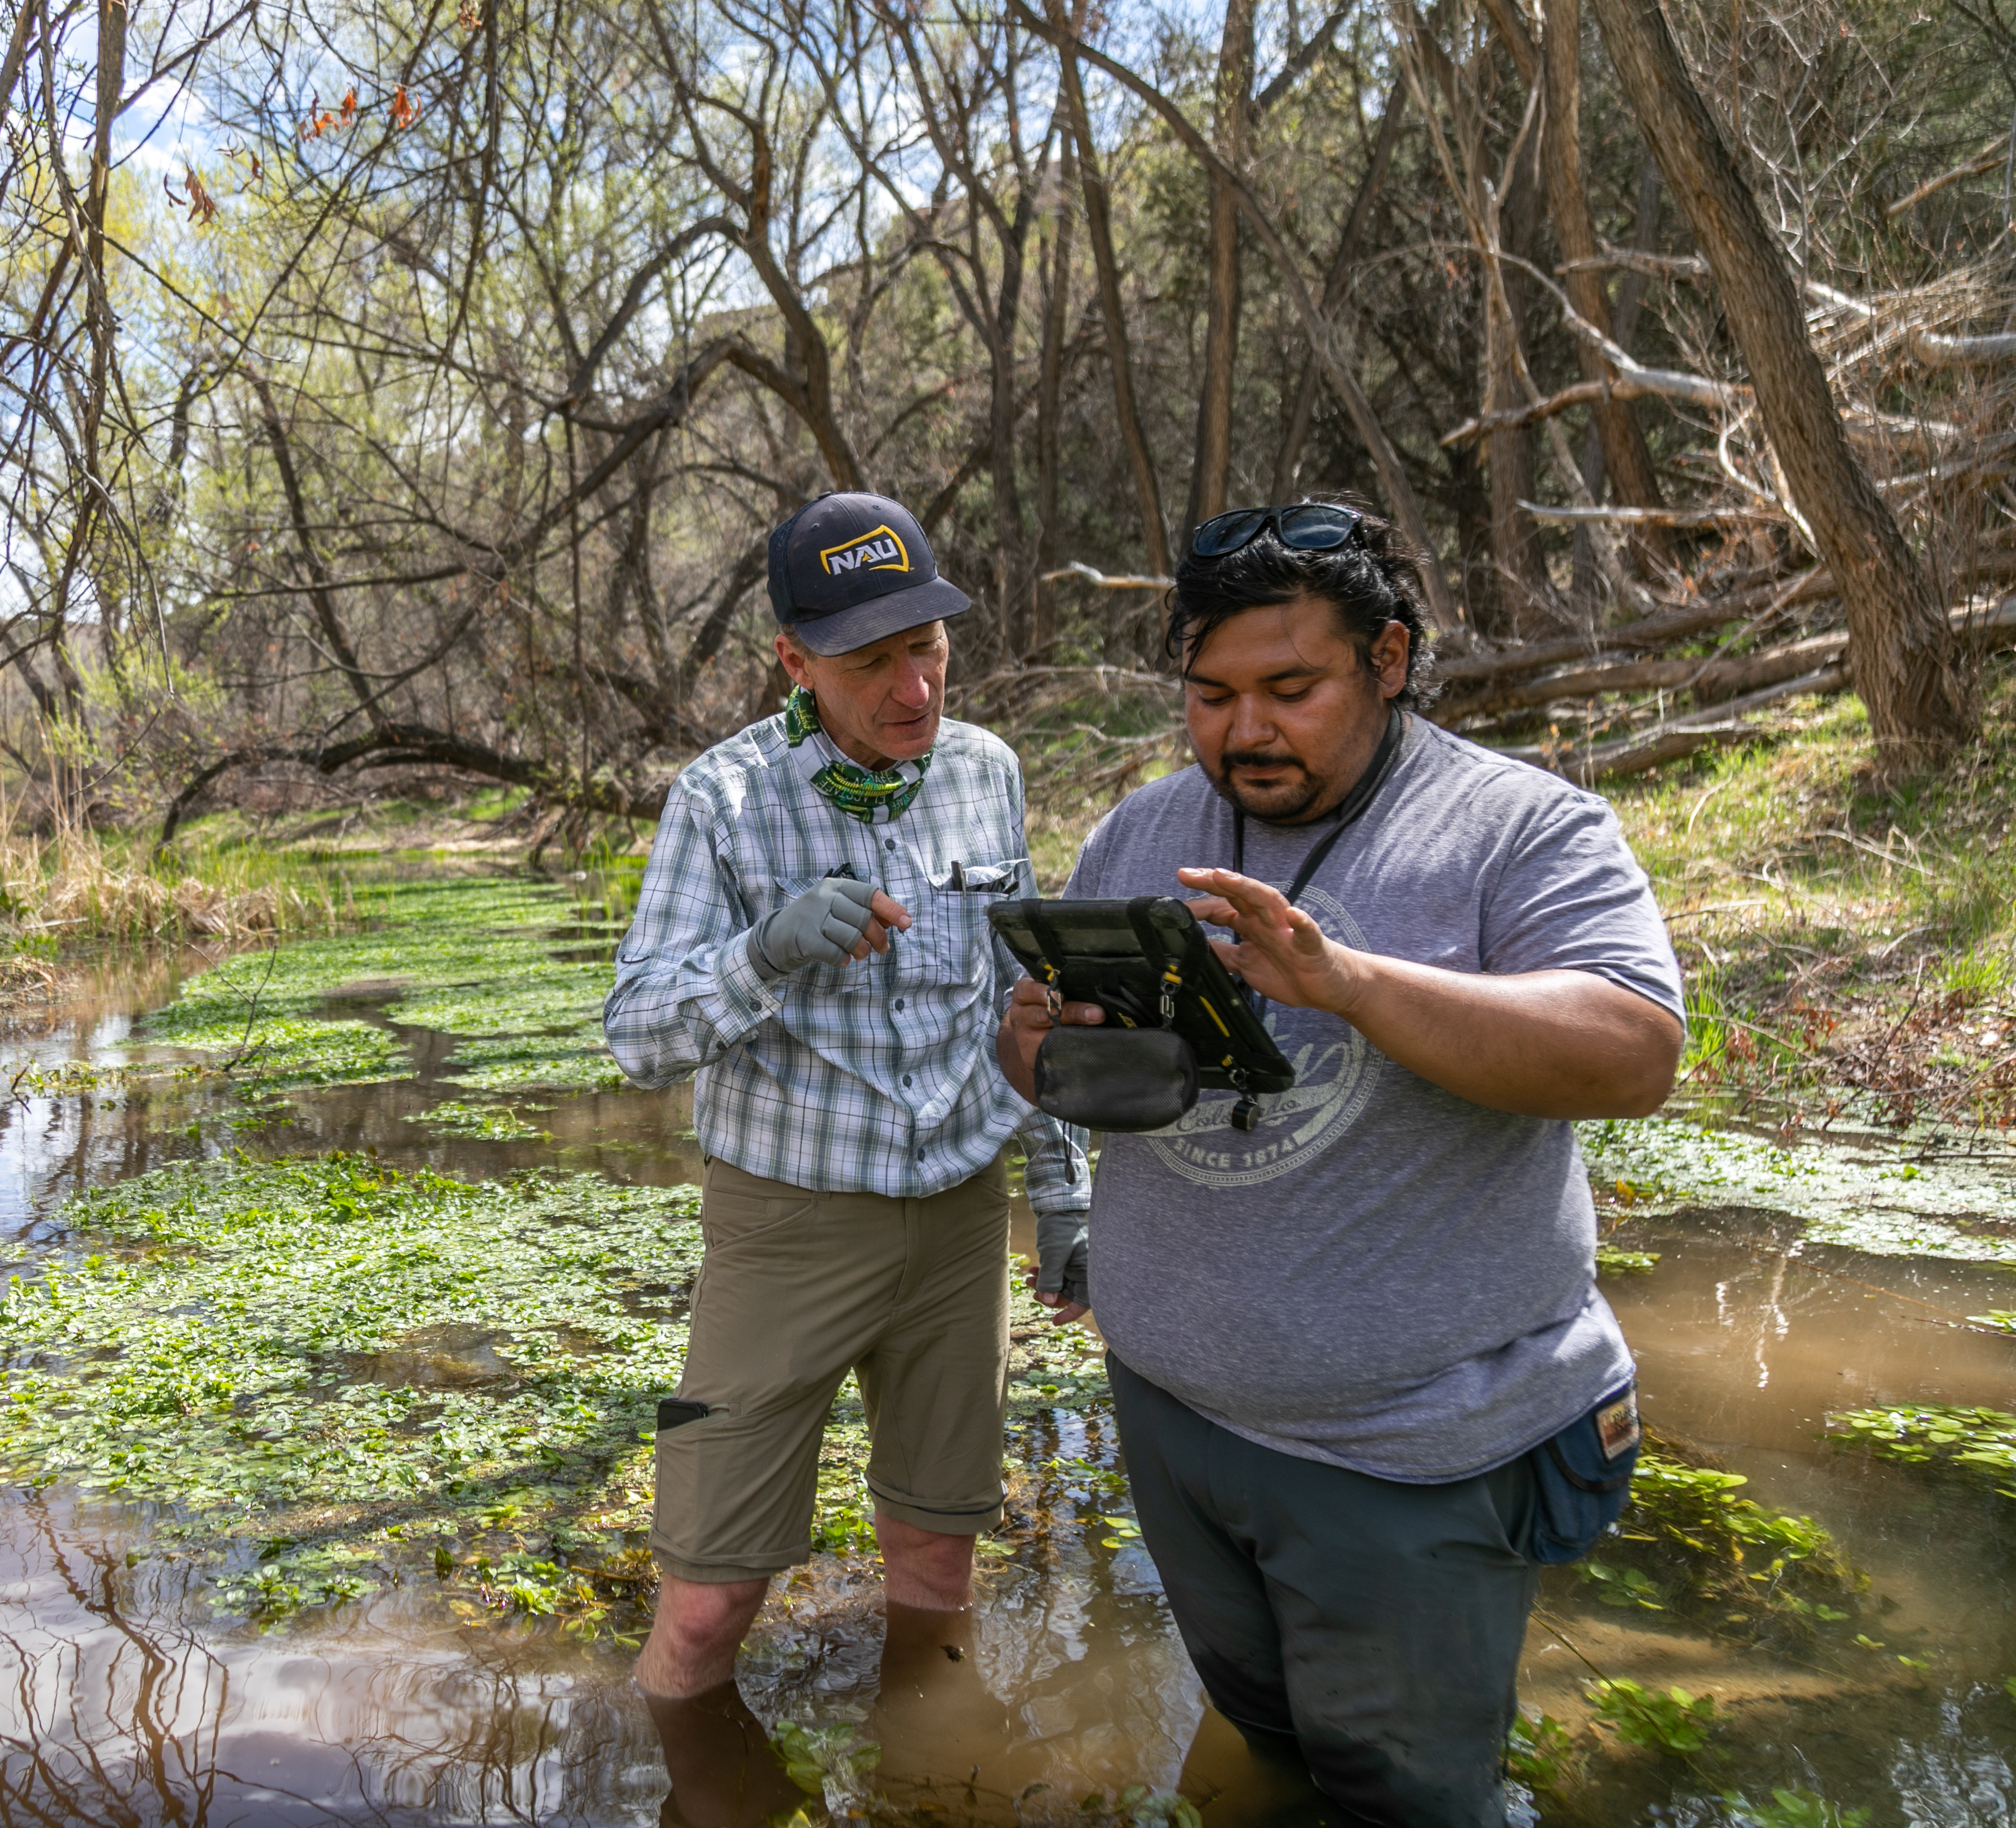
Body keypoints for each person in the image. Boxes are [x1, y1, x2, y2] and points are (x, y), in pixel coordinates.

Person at [999, 500, 1684, 1827]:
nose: (1244, 730)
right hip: (1176, 1421)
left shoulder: (1517, 827)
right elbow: (1078, 1089)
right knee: (1265, 1750)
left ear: (1390, 658)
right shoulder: (1142, 830)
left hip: (1407, 1454)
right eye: (1210, 695)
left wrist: (1350, 981)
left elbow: (1632, 1051)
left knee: (1409, 1796)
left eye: (1290, 688)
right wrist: (1036, 1045)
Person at [604, 490, 1090, 1818]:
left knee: (938, 1559)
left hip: (956, 1226)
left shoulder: (986, 772)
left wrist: (1062, 1200)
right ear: (794, 663)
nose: (913, 683)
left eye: (927, 644)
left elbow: (1024, 1001)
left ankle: (930, 1791)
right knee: (709, 1603)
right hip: (783, 1231)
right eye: (870, 658)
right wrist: (762, 952)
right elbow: (638, 1034)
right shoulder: (724, 802)